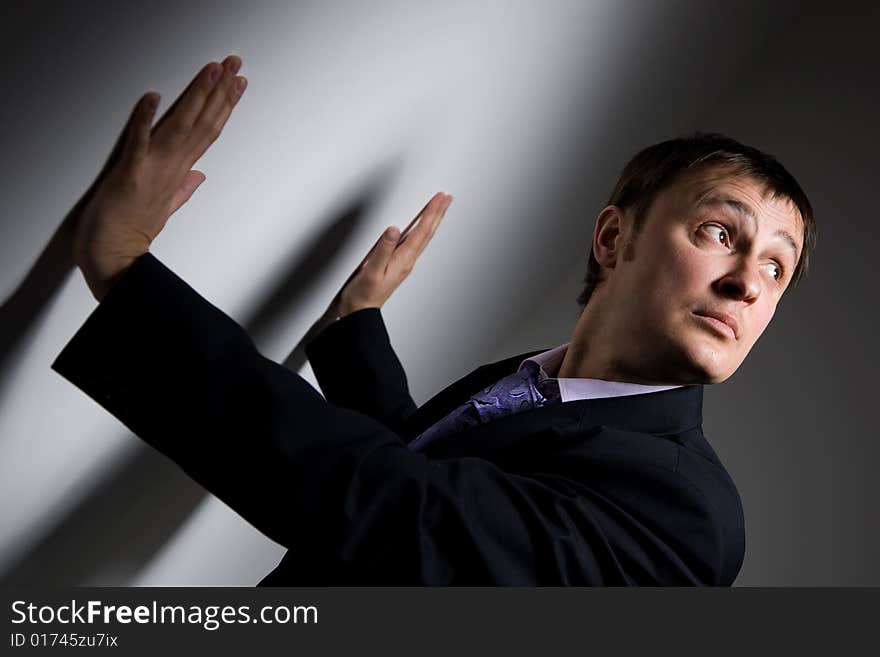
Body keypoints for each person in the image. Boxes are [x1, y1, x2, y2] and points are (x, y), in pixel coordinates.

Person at [52, 55, 815, 585]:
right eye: (721, 232)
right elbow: (434, 476)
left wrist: (124, 273)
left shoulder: (689, 517)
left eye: (778, 265)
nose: (750, 280)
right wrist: (353, 330)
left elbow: (404, 511)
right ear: (616, 239)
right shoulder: (531, 383)